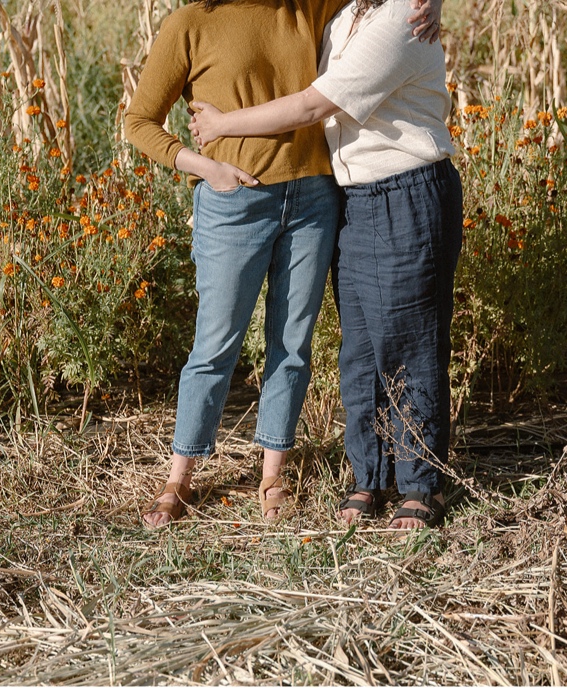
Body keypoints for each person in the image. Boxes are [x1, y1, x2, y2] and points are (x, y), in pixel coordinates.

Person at [123, 0, 440, 528]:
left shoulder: (306, 7)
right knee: (214, 344)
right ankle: (180, 475)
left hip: (314, 199)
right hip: (234, 201)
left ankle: (273, 474)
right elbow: (138, 121)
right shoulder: (189, 23)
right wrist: (206, 169)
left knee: (292, 346)